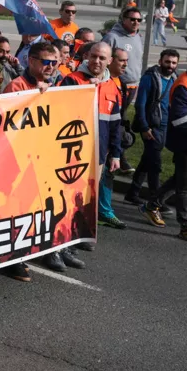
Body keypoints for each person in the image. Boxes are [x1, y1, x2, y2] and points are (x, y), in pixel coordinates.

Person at [140, 45, 187, 244]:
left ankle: (152, 205)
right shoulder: (184, 85)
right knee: (185, 187)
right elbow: (181, 120)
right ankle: (185, 226)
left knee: (179, 179)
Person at [61, 42, 126, 231]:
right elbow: (61, 114)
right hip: (72, 151)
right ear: (87, 55)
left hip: (98, 152)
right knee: (70, 192)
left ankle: (81, 231)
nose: (97, 61)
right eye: (94, 56)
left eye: (102, 58)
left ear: (110, 61)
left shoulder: (112, 87)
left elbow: (115, 125)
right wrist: (84, 93)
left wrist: (115, 154)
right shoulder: (72, 80)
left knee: (89, 194)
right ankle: (66, 232)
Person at [127, 49, 179, 207]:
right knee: (155, 164)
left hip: (164, 126)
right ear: (160, 61)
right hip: (151, 126)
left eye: (174, 63)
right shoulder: (150, 78)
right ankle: (156, 200)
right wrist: (144, 127)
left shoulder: (174, 79)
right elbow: (140, 104)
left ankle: (132, 193)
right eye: (167, 62)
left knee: (147, 160)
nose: (170, 65)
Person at [101, 8, 144, 95]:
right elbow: (102, 59)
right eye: (132, 19)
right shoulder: (112, 37)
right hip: (116, 84)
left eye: (139, 20)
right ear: (124, 20)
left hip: (133, 85)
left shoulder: (137, 37)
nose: (136, 22)